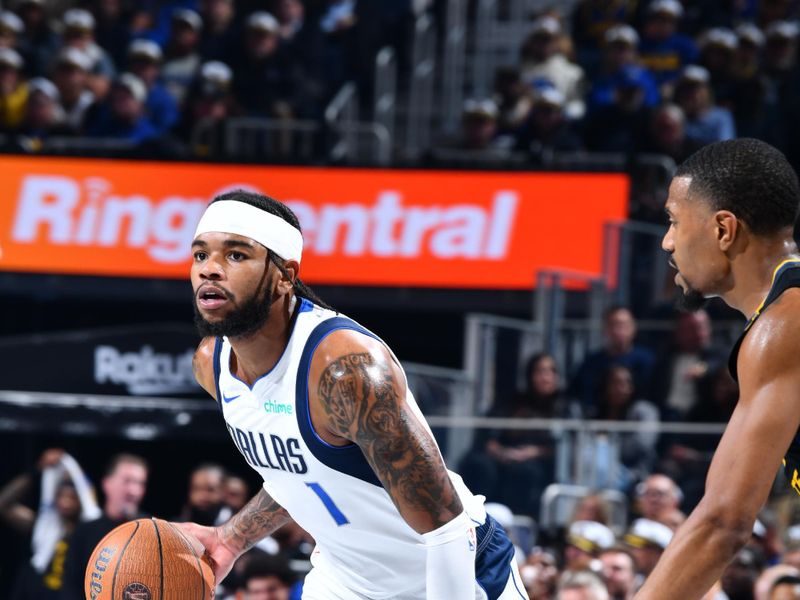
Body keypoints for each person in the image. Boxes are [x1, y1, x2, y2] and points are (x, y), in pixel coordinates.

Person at [179, 190, 529, 599]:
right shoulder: (211, 364)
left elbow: (445, 524)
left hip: (447, 567)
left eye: (236, 255)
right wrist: (231, 540)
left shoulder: (345, 371)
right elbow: (301, 472)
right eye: (200, 255)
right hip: (347, 580)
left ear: (285, 276)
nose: (210, 270)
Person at [633, 137, 800, 600]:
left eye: (674, 221)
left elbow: (725, 522)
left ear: (724, 230)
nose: (667, 241)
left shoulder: (786, 325)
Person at [61, 453, 148, 600]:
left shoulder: (153, 530)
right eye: (127, 481)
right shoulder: (84, 532)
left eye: (140, 483)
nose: (134, 491)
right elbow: (71, 586)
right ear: (107, 484)